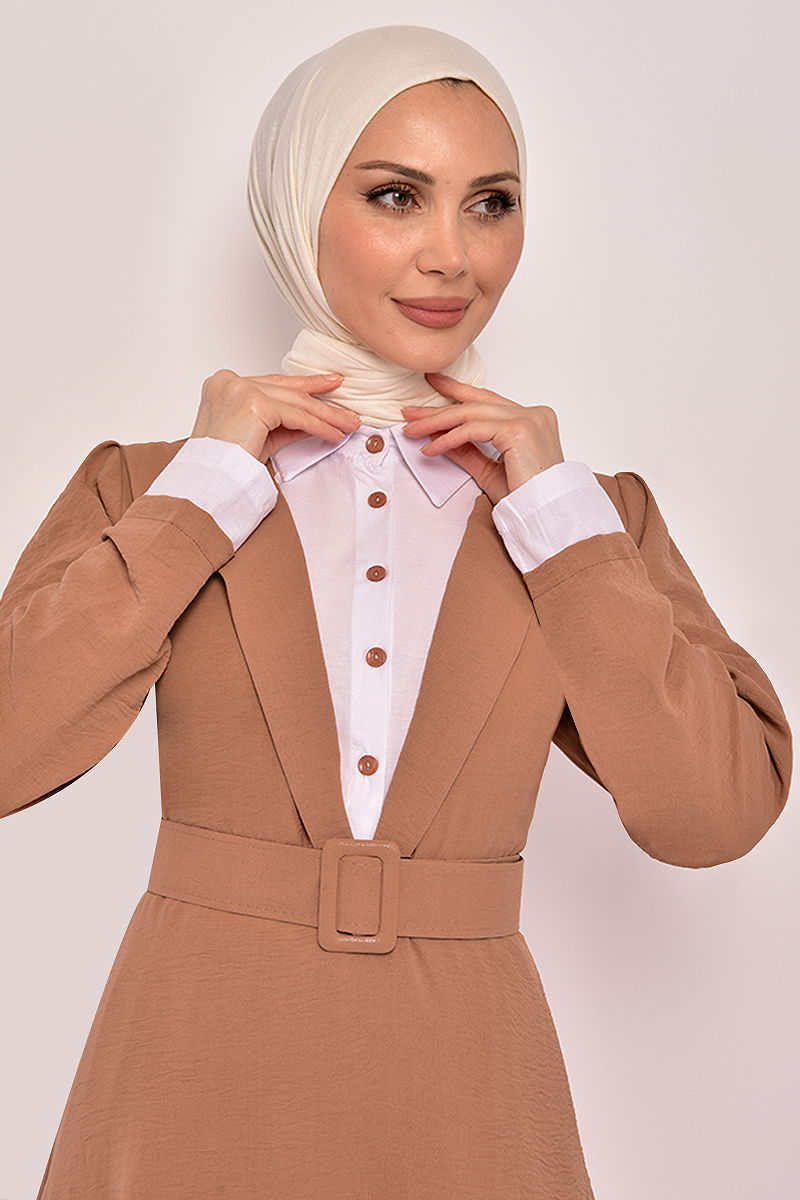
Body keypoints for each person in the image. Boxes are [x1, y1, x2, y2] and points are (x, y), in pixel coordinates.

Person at [0, 23, 792, 1200]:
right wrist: (206, 490)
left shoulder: (584, 523)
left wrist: (559, 523)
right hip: (190, 1081)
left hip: (468, 1101)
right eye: (394, 196)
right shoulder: (152, 489)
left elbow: (713, 813)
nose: (450, 256)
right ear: (297, 207)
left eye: (489, 204)